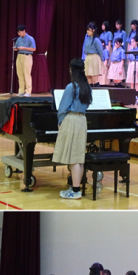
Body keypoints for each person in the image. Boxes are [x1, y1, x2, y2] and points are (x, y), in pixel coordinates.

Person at [52, 58, 92, 200]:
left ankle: (75, 190)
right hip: (82, 120)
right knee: (79, 157)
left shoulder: (71, 87)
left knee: (74, 158)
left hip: (72, 119)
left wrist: (60, 121)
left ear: (72, 70)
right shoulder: (87, 87)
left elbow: (63, 107)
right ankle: (76, 188)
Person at [14, 24, 36, 97]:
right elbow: (16, 47)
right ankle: (21, 91)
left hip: (27, 56)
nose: (19, 34)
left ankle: (28, 92)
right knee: (20, 74)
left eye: (20, 32)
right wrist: (15, 48)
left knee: (27, 74)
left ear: (24, 31)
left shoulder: (30, 38)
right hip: (19, 56)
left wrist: (23, 48)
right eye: (18, 32)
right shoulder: (18, 39)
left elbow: (33, 49)